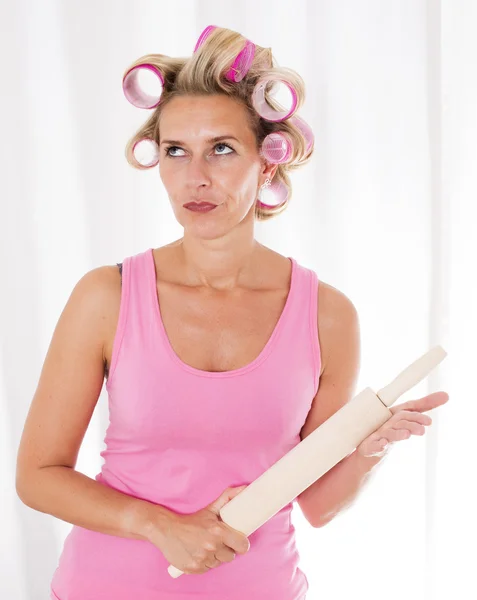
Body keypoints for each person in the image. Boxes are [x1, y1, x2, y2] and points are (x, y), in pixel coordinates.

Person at [15, 25, 449, 600]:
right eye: (176, 151)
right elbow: (37, 476)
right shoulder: (107, 296)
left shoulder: (327, 315)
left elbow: (315, 505)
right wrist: (160, 526)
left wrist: (370, 448)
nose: (196, 177)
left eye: (222, 148)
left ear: (268, 163)